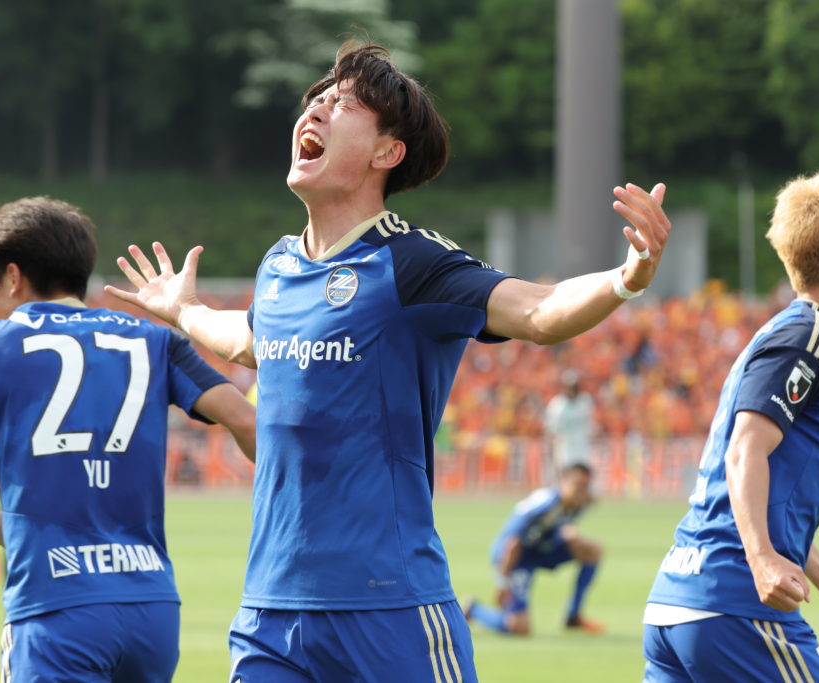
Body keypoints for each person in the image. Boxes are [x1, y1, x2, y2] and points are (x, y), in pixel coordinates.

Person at [107, 41, 671, 682]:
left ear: (387, 153)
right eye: (316, 100)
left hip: (390, 610)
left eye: (342, 104)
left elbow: (538, 309)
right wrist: (184, 311)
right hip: (271, 617)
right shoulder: (279, 265)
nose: (316, 110)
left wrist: (628, 276)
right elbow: (251, 341)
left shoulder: (410, 261)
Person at [0, 197, 256, 682]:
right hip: (151, 608)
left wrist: (23, 536)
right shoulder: (155, 340)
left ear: (13, 277)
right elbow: (249, 424)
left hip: (55, 606)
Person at [642, 166, 819, 682]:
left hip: (681, 602)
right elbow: (744, 449)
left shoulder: (791, 334)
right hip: (735, 607)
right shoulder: (811, 334)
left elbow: (767, 483)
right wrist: (760, 559)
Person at [466, 463, 604, 636]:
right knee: (520, 628)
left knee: (593, 551)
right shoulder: (545, 504)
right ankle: (474, 610)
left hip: (538, 551)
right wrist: (502, 583)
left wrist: (571, 536)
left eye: (585, 486)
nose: (581, 491)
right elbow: (513, 543)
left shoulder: (577, 502)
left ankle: (573, 615)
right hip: (514, 558)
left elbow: (584, 506)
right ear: (563, 481)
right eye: (577, 485)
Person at [544, 370, 596, 476]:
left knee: (581, 477)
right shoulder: (557, 405)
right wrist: (552, 454)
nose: (572, 390)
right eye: (569, 387)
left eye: (574, 387)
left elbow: (592, 425)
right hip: (564, 449)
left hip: (582, 448)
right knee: (566, 478)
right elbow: (550, 431)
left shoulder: (585, 401)